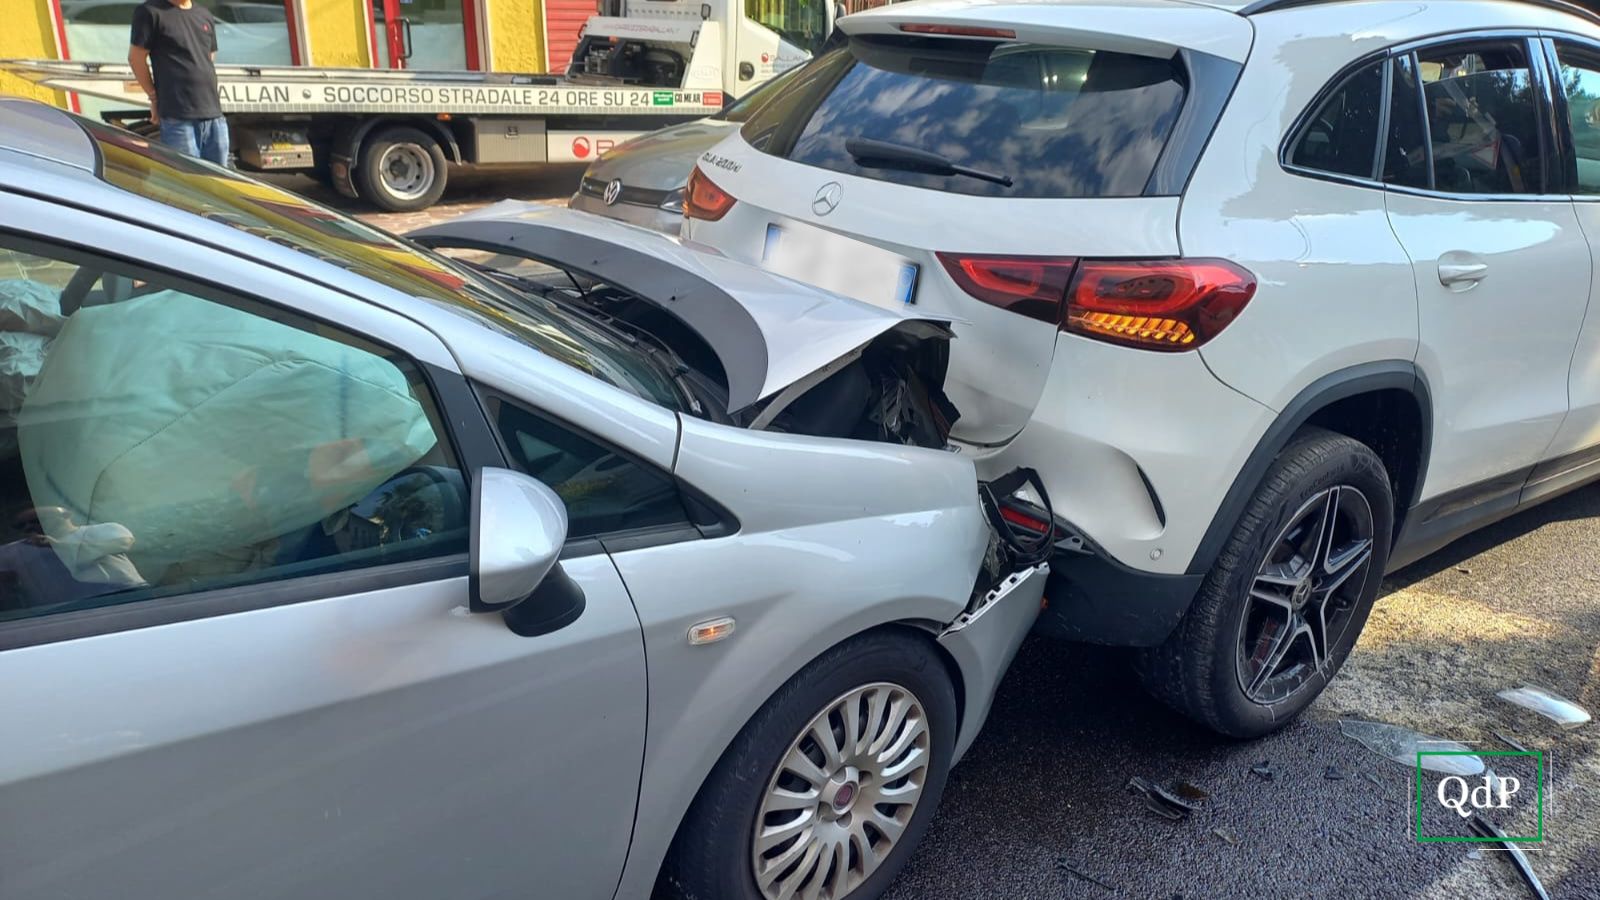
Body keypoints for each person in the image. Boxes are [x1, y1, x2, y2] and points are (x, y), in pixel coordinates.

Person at [128, 0, 229, 166]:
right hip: (178, 118)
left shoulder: (204, 15)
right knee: (188, 181)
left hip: (214, 116)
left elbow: (208, 58)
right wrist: (154, 97)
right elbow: (136, 58)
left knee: (222, 184)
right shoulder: (150, 12)